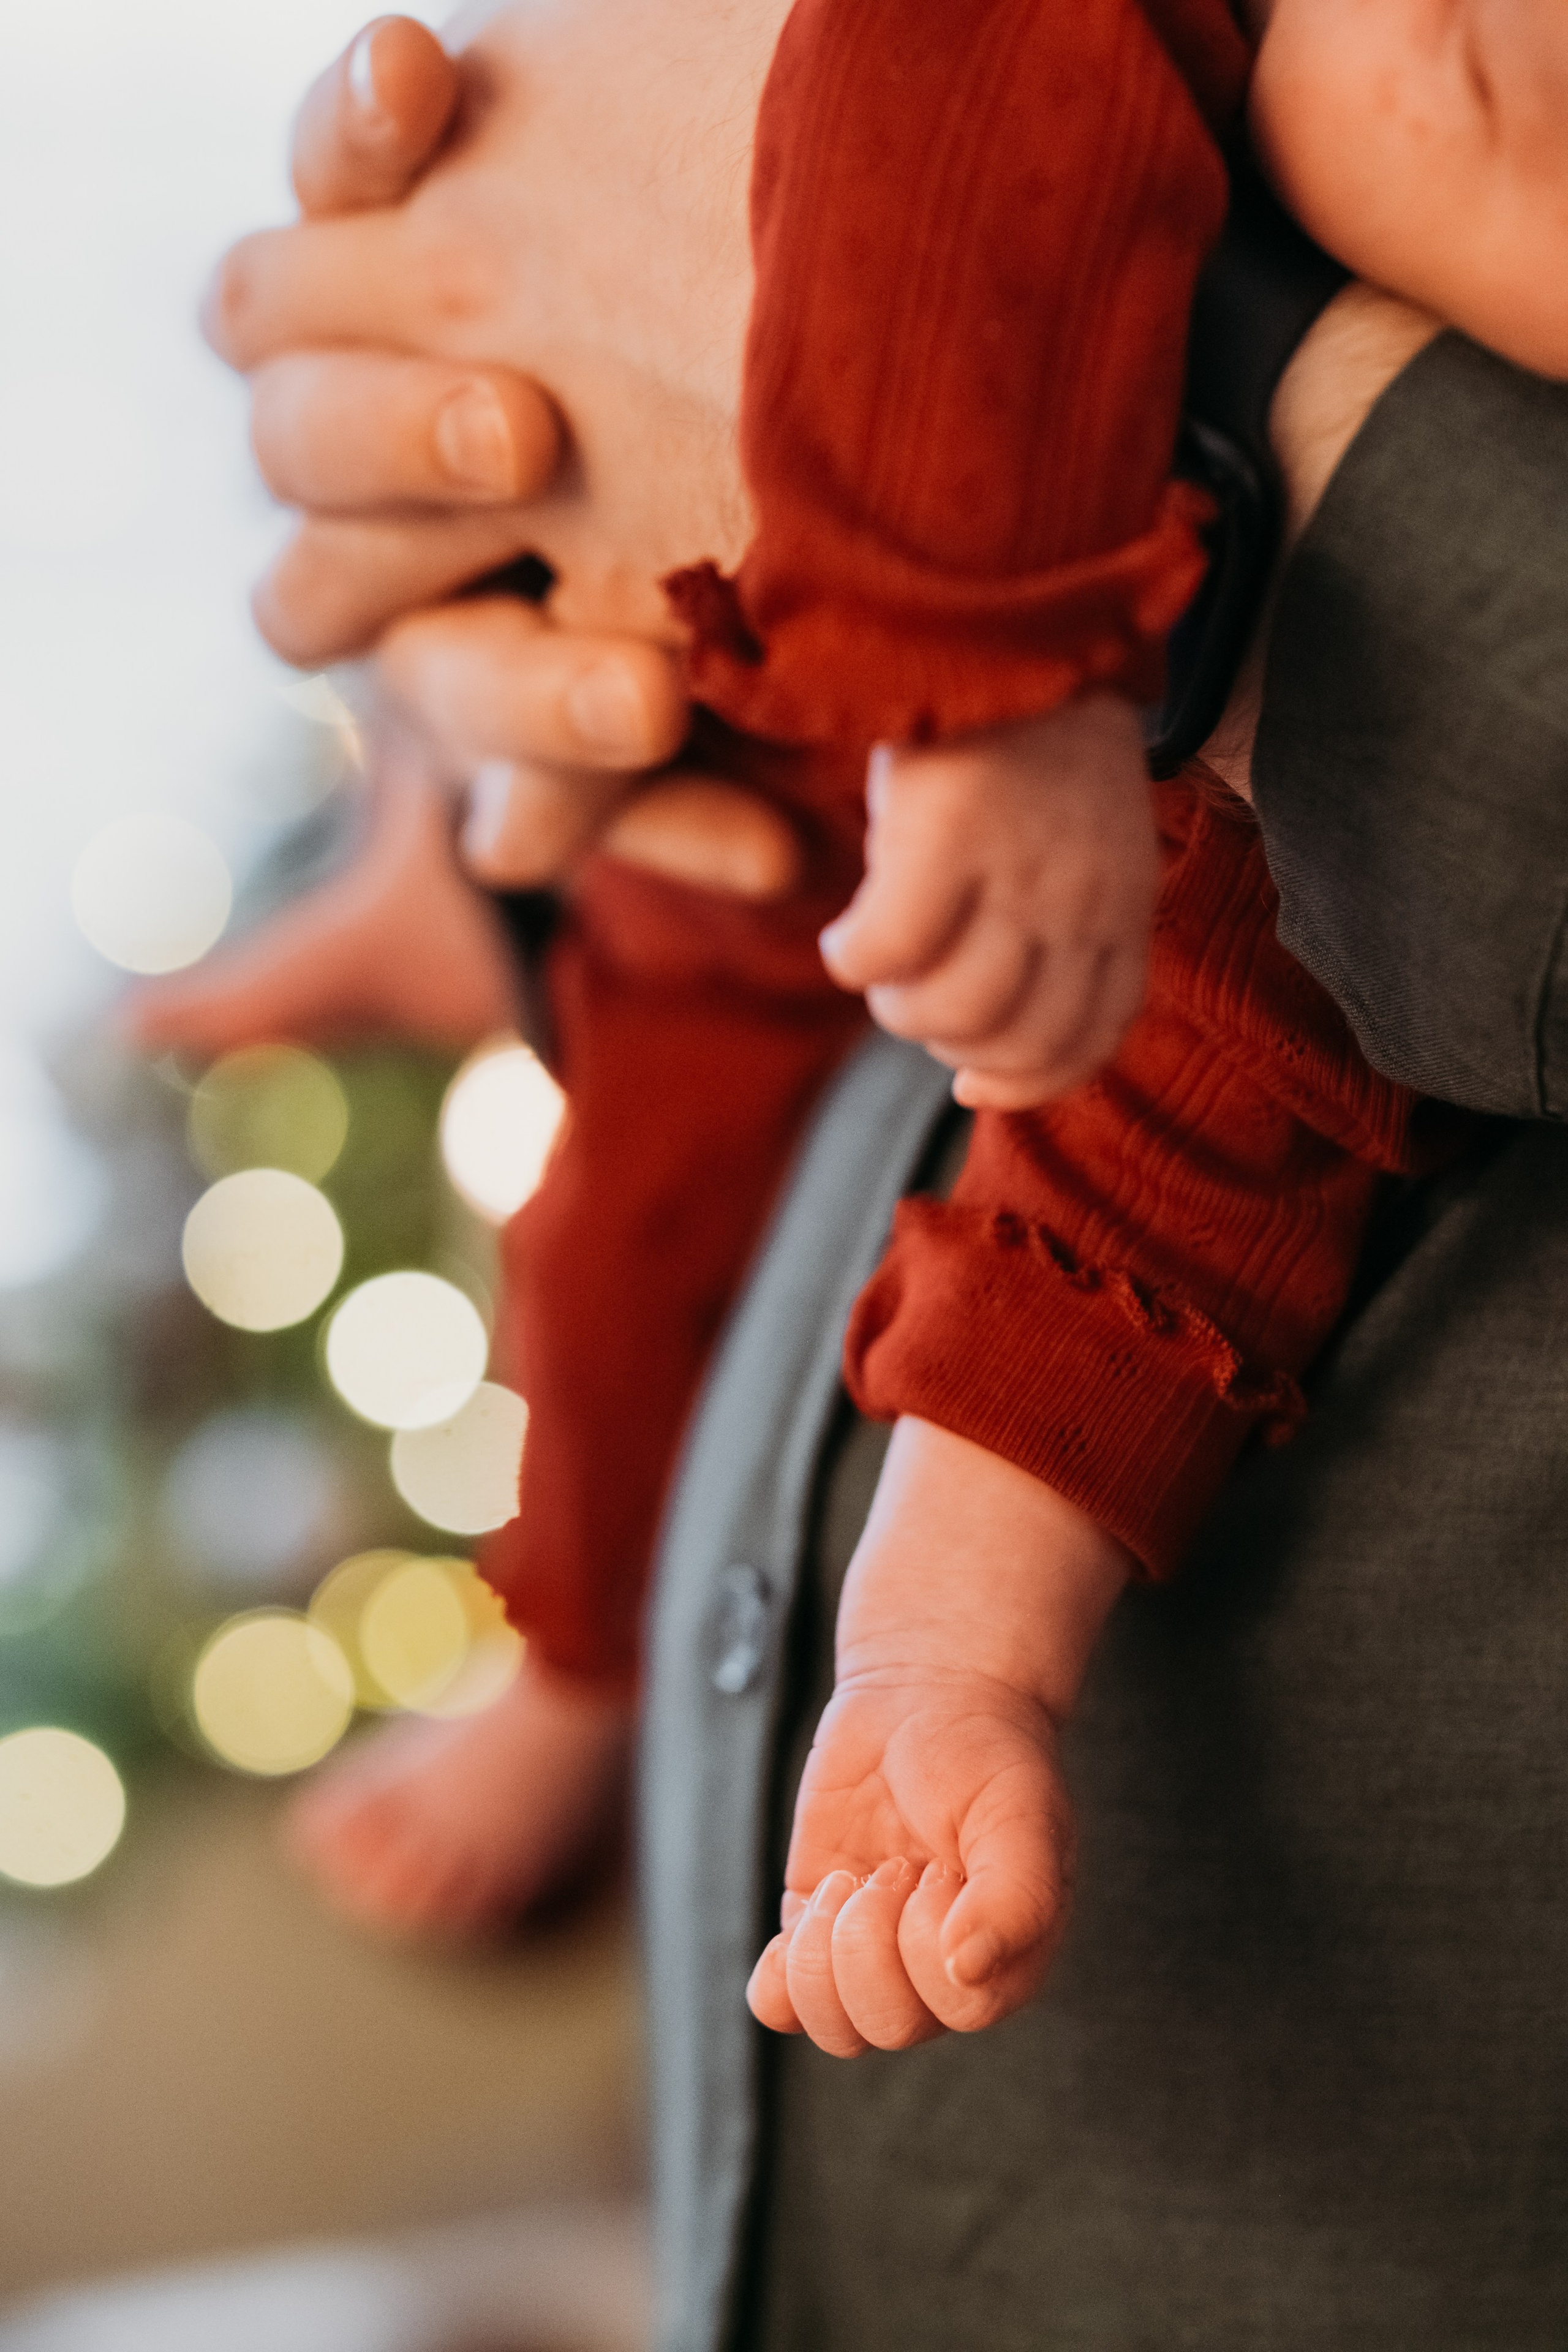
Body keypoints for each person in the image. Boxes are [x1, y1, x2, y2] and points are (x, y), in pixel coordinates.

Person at [185, 0, 1564, 1984]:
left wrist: (946, 1638)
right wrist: (977, 679)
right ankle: (444, 878)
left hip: (938, 669)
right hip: (799, 590)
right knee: (624, 894)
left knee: (713, 1015)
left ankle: (472, 920)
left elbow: (1198, 1090)